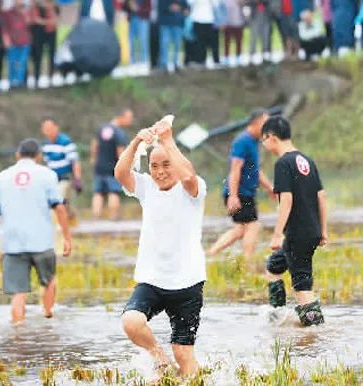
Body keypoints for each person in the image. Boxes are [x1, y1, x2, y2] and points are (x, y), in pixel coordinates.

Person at [114, 117, 207, 376]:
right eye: (154, 166)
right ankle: (160, 359)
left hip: (187, 281)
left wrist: (167, 140)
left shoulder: (193, 190)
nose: (160, 172)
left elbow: (187, 175)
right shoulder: (146, 187)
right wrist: (136, 142)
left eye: (166, 165)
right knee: (131, 322)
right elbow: (121, 173)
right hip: (152, 279)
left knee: (184, 353)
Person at [0, 139, 72, 323]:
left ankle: (18, 330)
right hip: (42, 241)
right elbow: (60, 208)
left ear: (17, 155)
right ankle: (48, 316)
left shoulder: (0, 178)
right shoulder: (48, 175)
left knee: (18, 293)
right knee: (49, 281)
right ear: (38, 156)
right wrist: (66, 238)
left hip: (12, 243)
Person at [261, 116, 327, 326]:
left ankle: (315, 331)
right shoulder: (307, 160)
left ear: (271, 137)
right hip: (310, 231)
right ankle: (277, 315)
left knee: (301, 285)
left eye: (264, 140)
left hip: (297, 234)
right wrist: (323, 230)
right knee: (273, 266)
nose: (264, 144)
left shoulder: (283, 163)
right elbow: (321, 197)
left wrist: (277, 233)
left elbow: (286, 200)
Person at [207, 109, 275, 257]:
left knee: (241, 229)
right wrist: (233, 195)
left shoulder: (254, 142)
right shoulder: (242, 141)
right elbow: (235, 169)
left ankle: (210, 254)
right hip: (239, 193)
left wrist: (269, 187)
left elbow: (255, 170)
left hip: (246, 193)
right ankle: (248, 263)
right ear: (256, 123)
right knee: (253, 226)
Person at [90, 109, 133, 219]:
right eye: (129, 118)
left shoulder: (102, 128)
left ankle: (96, 217)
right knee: (113, 191)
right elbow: (121, 153)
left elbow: (94, 145)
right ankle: (113, 217)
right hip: (113, 167)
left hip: (99, 166)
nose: (130, 121)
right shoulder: (119, 133)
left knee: (98, 192)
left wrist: (94, 159)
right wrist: (125, 167)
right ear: (121, 117)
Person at [41, 117, 83, 222]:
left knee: (59, 199)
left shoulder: (66, 142)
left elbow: (75, 161)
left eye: (50, 128)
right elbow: (47, 163)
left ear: (56, 128)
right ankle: (71, 219)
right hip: (52, 179)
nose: (48, 131)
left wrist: (77, 179)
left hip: (65, 177)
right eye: (46, 128)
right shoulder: (46, 145)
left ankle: (60, 224)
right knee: (62, 203)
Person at [1, 0, 31, 88]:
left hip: (24, 42)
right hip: (12, 42)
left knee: (22, 63)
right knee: (12, 62)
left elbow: (29, 23)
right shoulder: (8, 13)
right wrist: (5, 39)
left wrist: (24, 13)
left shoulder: (25, 12)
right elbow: (4, 28)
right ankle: (12, 81)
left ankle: (19, 81)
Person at [188, 0, 220, 67]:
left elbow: (216, 5)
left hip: (210, 20)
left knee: (212, 42)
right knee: (199, 42)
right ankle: (200, 60)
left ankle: (216, 60)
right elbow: (190, 3)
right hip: (197, 20)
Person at [158, 0, 188, 72]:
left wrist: (185, 10)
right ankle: (164, 64)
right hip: (165, 23)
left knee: (177, 45)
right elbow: (160, 7)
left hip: (178, 23)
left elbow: (186, 7)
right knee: (164, 44)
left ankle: (176, 63)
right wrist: (170, 8)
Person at [124, 0, 151, 64]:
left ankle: (144, 60)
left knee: (143, 40)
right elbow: (124, 7)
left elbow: (149, 7)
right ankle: (132, 60)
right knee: (131, 40)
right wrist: (129, 5)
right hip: (132, 19)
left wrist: (138, 9)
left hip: (142, 19)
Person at [28, 0, 45, 88]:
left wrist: (40, 21)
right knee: (28, 60)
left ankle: (36, 79)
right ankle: (25, 79)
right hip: (29, 40)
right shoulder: (28, 10)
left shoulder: (42, 10)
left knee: (38, 60)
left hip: (39, 39)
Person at [223, 0, 245, 66]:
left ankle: (238, 57)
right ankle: (226, 57)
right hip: (228, 23)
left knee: (239, 41)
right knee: (227, 41)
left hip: (238, 23)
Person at [43, 0, 59, 81]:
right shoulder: (42, 10)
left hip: (52, 33)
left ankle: (51, 74)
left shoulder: (56, 9)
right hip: (43, 33)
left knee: (52, 54)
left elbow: (56, 20)